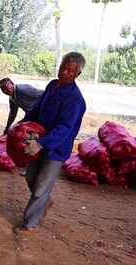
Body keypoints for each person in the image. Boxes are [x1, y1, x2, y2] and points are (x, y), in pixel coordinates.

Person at [14, 52, 87, 235]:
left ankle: (30, 223)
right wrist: (22, 125)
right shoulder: (52, 86)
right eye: (63, 67)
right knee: (31, 177)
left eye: (70, 70)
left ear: (77, 74)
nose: (63, 72)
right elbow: (36, 109)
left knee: (40, 187)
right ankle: (44, 202)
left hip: (56, 148)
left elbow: (64, 128)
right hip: (38, 139)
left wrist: (41, 143)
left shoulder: (76, 100)